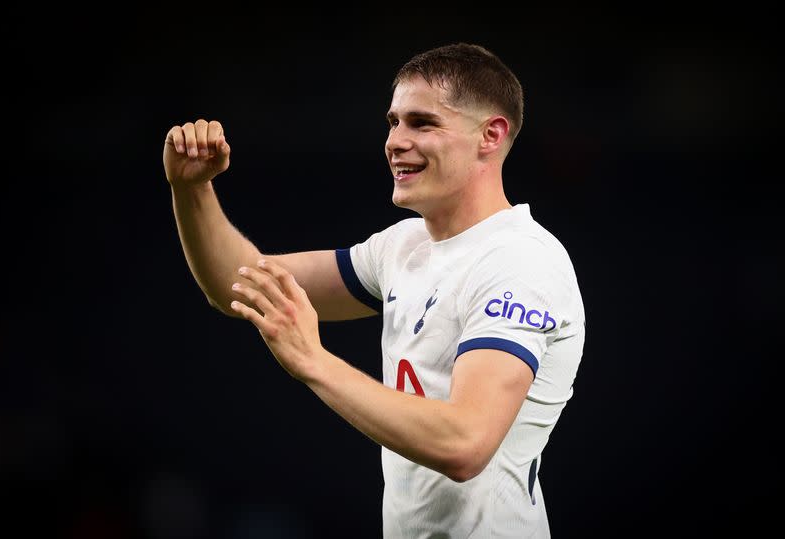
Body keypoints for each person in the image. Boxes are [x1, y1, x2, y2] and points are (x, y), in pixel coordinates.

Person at [162, 43, 585, 538]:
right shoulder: (403, 246)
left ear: (490, 135)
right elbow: (238, 283)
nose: (395, 141)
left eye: (422, 123)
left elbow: (465, 443)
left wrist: (313, 362)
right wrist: (192, 191)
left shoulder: (519, 260)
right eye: (393, 122)